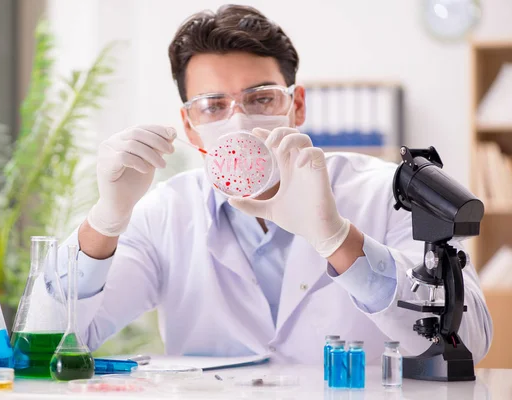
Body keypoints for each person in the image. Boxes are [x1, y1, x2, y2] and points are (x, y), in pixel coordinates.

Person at [59, 4, 492, 364]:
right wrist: (106, 220)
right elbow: (57, 338)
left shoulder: (386, 193)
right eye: (212, 106)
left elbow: (469, 341)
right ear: (189, 128)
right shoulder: (166, 213)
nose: (240, 120)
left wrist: (337, 239)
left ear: (296, 105)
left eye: (261, 97)